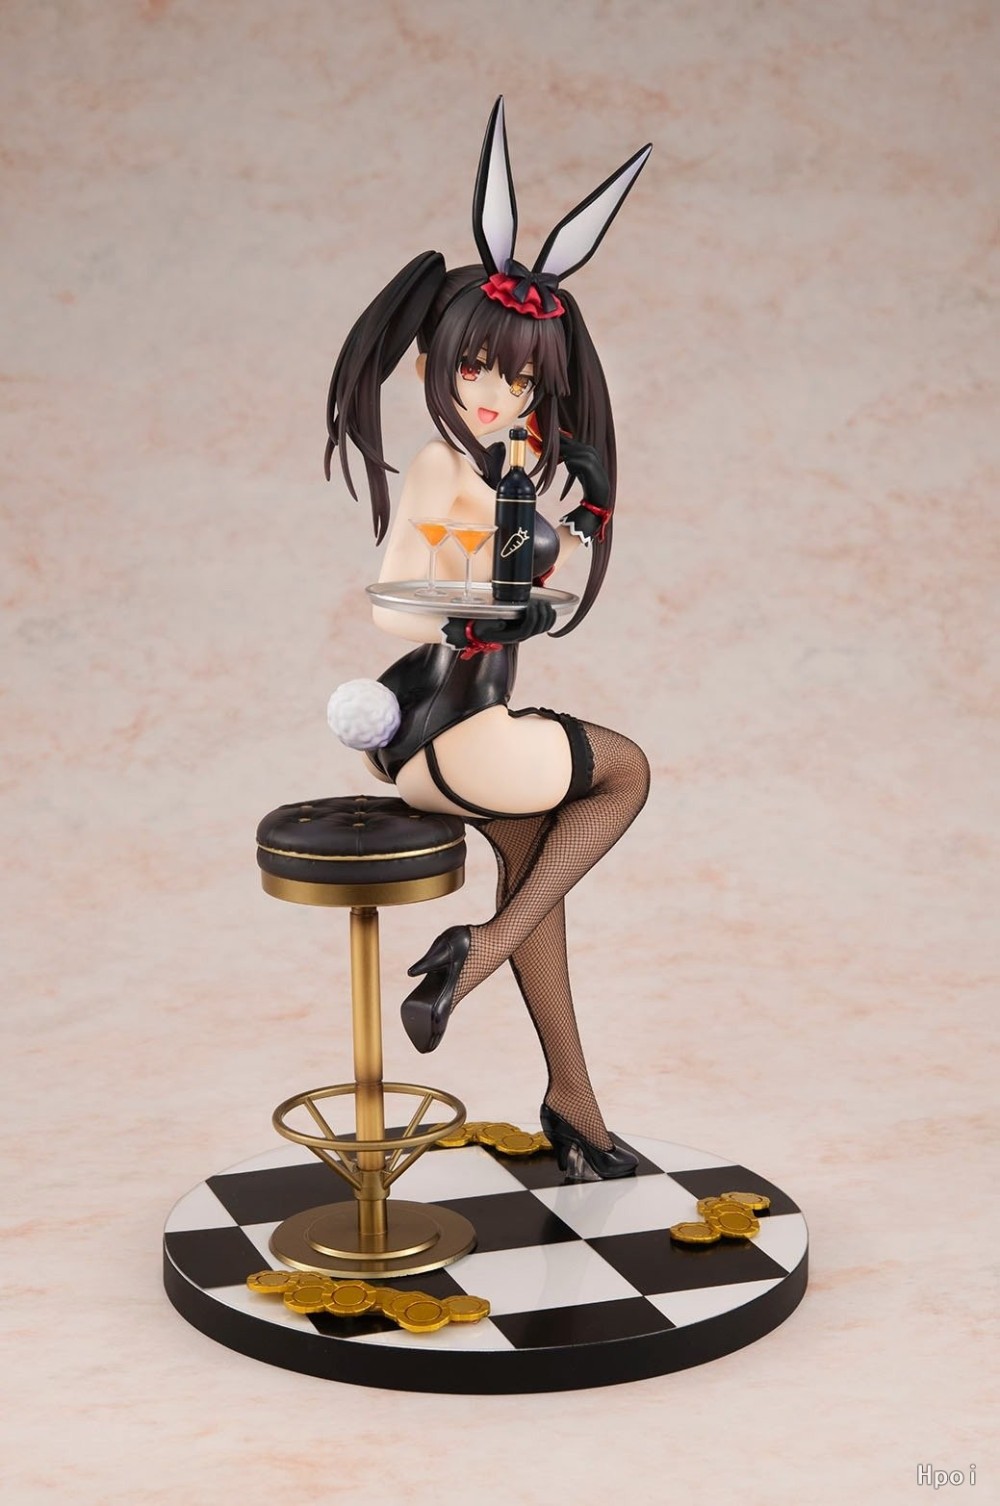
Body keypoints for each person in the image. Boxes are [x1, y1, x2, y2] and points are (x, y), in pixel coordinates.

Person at [325, 100, 652, 1180]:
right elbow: (391, 601)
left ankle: (575, 1110)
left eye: (517, 378)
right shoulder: (440, 468)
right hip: (458, 730)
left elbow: (520, 572)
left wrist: (568, 524)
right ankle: (471, 960)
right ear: (439, 358)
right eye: (476, 368)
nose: (494, 392)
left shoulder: (506, 470)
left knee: (536, 880)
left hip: (454, 734)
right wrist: (472, 611)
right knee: (627, 774)